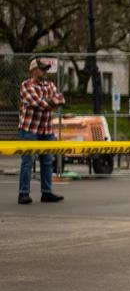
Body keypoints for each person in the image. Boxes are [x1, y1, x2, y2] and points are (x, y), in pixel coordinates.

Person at [18, 58, 66, 205]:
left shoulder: (50, 84)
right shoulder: (26, 85)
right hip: (29, 129)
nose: (45, 71)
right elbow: (36, 102)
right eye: (42, 69)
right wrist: (50, 103)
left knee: (47, 161)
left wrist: (49, 102)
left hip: (46, 129)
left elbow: (61, 99)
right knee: (27, 161)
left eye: (46, 69)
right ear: (33, 70)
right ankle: (23, 193)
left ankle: (47, 192)